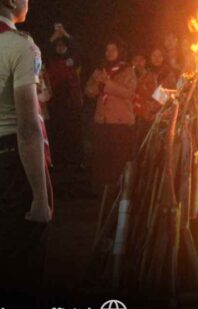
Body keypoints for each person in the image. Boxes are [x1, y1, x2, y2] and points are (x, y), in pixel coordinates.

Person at [0, 0, 52, 309]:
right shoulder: (20, 46)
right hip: (9, 163)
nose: (28, 1)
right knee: (21, 259)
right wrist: (39, 195)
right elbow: (28, 127)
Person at [85, 38, 137, 194]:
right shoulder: (100, 71)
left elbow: (129, 92)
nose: (109, 53)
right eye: (107, 50)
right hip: (102, 121)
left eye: (113, 50)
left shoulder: (128, 70)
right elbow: (88, 90)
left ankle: (119, 192)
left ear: (119, 52)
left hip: (120, 122)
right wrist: (98, 85)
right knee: (102, 158)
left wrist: (107, 84)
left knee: (118, 159)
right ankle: (101, 191)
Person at [45, 32, 84, 169]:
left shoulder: (73, 60)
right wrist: (55, 35)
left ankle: (73, 161)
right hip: (55, 103)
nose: (60, 47)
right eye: (58, 45)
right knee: (56, 132)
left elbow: (79, 49)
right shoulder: (51, 60)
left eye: (63, 45)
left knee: (72, 132)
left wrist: (66, 34)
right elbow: (44, 47)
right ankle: (57, 161)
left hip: (71, 103)